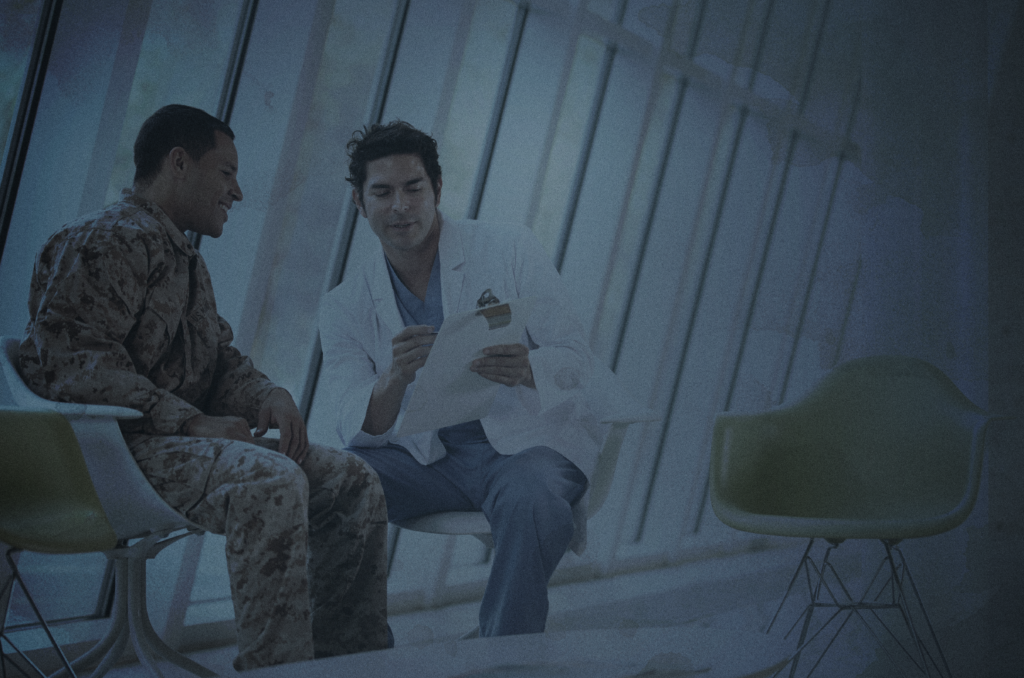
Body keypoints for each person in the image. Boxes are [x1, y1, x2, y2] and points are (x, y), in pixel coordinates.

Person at [18, 105, 390, 670]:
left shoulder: (183, 258)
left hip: (164, 447)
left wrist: (268, 394)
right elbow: (75, 367)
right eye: (226, 172)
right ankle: (279, 671)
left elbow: (216, 363)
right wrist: (190, 420)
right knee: (269, 479)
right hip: (105, 453)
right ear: (178, 163)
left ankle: (346, 664)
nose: (237, 192)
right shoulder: (101, 241)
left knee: (351, 480)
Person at [319, 120, 609, 637]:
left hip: (524, 447)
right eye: (382, 192)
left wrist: (528, 369)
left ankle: (501, 653)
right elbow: (349, 419)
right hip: (427, 461)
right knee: (331, 480)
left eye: (414, 188)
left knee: (533, 499)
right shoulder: (343, 304)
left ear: (437, 190)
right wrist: (392, 379)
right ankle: (351, 651)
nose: (401, 206)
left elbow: (577, 359)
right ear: (360, 205)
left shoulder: (508, 247)